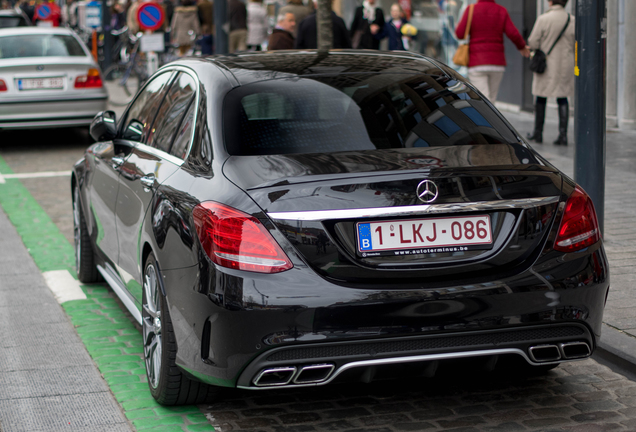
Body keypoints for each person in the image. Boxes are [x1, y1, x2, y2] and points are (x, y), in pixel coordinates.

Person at [455, 0, 530, 102]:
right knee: (491, 100)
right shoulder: (501, 10)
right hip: (497, 63)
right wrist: (522, 47)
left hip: (477, 63)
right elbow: (513, 33)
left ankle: (484, 118)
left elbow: (460, 34)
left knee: (483, 101)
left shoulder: (471, 10)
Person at [526, 0, 575, 145]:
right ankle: (563, 136)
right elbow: (576, 42)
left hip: (546, 65)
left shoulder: (544, 18)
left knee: (541, 96)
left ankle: (538, 133)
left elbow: (533, 42)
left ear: (551, 2)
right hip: (565, 64)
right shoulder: (571, 20)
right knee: (562, 97)